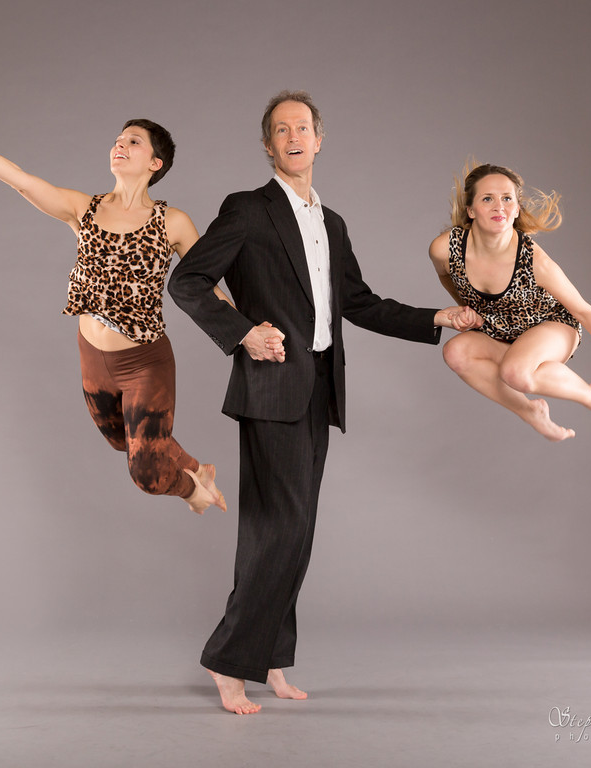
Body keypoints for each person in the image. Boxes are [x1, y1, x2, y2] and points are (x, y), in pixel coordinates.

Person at [167, 91, 480, 714]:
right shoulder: (248, 209)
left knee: (296, 532)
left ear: (319, 139)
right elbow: (188, 280)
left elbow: (359, 303)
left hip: (318, 391)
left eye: (303, 128)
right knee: (276, 529)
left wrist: (437, 317)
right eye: (281, 130)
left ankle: (271, 658)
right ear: (268, 145)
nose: (293, 137)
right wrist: (243, 333)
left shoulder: (331, 222)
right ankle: (228, 661)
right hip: (270, 387)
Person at [0, 119, 228, 514]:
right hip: (93, 357)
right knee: (121, 441)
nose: (120, 146)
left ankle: (194, 491)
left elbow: (207, 286)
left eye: (133, 142)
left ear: (155, 163)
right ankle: (198, 468)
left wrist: (248, 333)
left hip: (144, 363)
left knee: (147, 471)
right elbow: (22, 181)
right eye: (118, 140)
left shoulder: (174, 223)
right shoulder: (84, 208)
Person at [428, 163, 591, 441]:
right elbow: (446, 276)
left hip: (553, 325)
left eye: (507, 199)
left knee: (516, 373)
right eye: (487, 198)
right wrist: (468, 309)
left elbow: (583, 310)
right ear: (471, 210)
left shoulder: (534, 260)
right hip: (502, 330)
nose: (499, 206)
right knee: (455, 352)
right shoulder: (445, 249)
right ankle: (530, 411)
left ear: (517, 209)